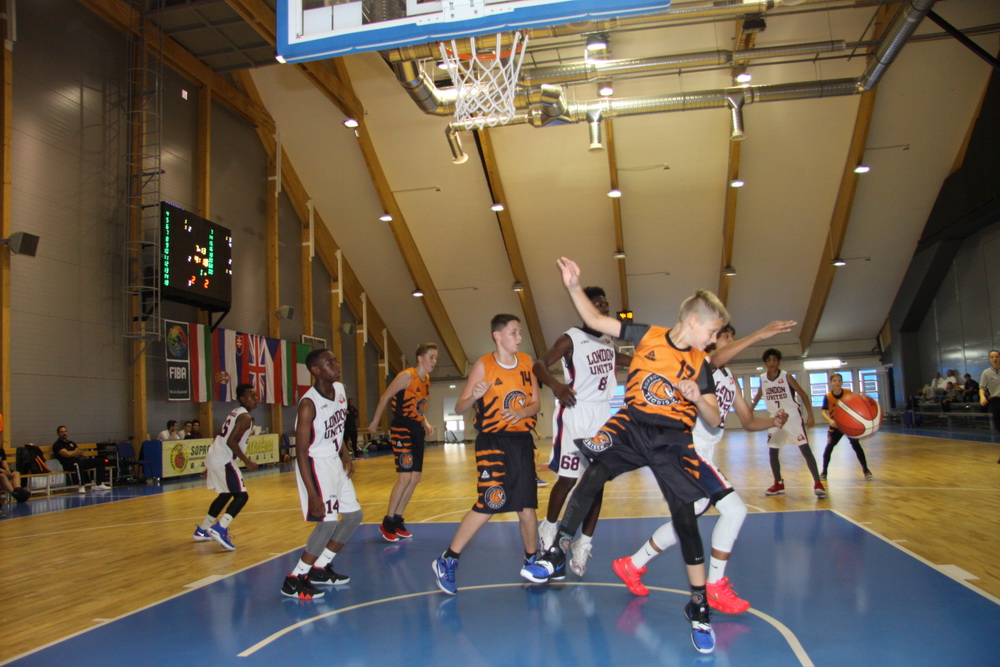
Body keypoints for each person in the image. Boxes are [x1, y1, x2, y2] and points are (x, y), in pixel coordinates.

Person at [522, 256, 728, 655]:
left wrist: (698, 400)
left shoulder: (701, 364)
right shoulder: (648, 335)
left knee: (685, 519)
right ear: (693, 322)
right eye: (713, 331)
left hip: (672, 439)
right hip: (632, 424)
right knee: (595, 471)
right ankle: (557, 550)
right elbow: (595, 320)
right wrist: (572, 286)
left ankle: (698, 605)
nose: (715, 339)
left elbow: (716, 419)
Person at [612, 323, 790, 615]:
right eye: (727, 337)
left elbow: (747, 420)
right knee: (735, 510)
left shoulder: (729, 379)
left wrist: (774, 421)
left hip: (703, 452)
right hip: (689, 449)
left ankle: (632, 564)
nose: (732, 341)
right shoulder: (702, 363)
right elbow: (716, 358)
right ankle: (715, 586)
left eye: (732, 336)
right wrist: (759, 334)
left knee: (688, 518)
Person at [432, 315, 540, 596]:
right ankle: (448, 559)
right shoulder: (483, 365)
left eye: (520, 332)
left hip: (522, 442)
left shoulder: (527, 362)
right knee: (491, 502)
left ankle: (532, 561)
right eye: (514, 332)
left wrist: (521, 412)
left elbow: (536, 403)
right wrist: (474, 396)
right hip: (492, 441)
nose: (519, 337)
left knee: (527, 507)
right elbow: (459, 407)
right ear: (498, 335)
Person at [533, 285, 629, 577]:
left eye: (606, 305)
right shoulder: (570, 338)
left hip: (601, 416)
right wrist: (556, 386)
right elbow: (539, 364)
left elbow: (620, 360)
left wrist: (652, 360)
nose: (604, 309)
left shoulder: (607, 341)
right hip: (575, 411)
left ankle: (583, 544)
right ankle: (549, 526)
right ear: (584, 307)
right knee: (568, 479)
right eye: (598, 304)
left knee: (597, 483)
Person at [281, 349, 363, 600]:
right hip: (315, 464)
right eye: (329, 363)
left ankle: (320, 567)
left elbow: (337, 428)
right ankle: (294, 579)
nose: (336, 366)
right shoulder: (308, 404)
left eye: (335, 361)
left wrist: (345, 454)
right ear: (316, 370)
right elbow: (301, 452)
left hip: (334, 461)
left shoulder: (339, 389)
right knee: (327, 523)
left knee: (353, 517)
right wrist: (312, 494)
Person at [368, 343, 438, 542]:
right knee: (405, 478)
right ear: (420, 358)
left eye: (435, 358)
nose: (434, 361)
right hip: (401, 428)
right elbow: (385, 396)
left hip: (416, 428)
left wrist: (425, 422)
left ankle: (397, 519)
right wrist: (375, 421)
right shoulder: (407, 376)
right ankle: (387, 521)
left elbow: (417, 406)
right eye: (431, 357)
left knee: (415, 478)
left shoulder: (426, 380)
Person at [193, 384, 259, 551]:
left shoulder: (235, 412)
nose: (256, 398)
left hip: (215, 456)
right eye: (251, 395)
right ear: (242, 398)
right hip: (223, 458)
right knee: (242, 496)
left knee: (226, 494)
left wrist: (210, 464)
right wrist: (247, 461)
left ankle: (203, 530)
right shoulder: (245, 417)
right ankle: (220, 528)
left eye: (256, 395)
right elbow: (231, 441)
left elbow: (220, 436)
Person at [751, 349, 825, 498]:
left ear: (779, 362)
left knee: (805, 449)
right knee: (773, 451)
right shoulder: (763, 378)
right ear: (765, 363)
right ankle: (778, 483)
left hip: (792, 416)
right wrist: (750, 409)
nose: (772, 362)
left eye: (774, 359)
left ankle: (818, 483)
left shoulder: (786, 376)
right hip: (775, 417)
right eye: (769, 360)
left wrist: (810, 415)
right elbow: (759, 394)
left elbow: (803, 394)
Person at [819, 373, 873, 481]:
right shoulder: (828, 397)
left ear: (842, 382)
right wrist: (830, 421)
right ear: (831, 383)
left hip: (848, 425)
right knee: (829, 447)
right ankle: (824, 472)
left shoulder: (848, 393)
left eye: (839, 381)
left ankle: (866, 470)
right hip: (835, 426)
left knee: (856, 445)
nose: (837, 383)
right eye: (835, 381)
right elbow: (823, 412)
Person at [52, 425, 110, 492]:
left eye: (65, 431)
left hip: (79, 461)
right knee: (77, 464)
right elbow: (67, 454)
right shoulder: (57, 445)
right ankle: (81, 485)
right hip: (68, 464)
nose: (64, 433)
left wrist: (73, 452)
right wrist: (75, 451)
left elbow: (81, 453)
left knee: (100, 461)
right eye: (62, 432)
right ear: (58, 434)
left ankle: (99, 484)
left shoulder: (71, 443)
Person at [978, 350, 1000, 464]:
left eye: (997, 356)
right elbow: (982, 388)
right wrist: (982, 397)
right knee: (999, 426)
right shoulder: (986, 373)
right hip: (996, 400)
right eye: (992, 357)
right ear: (989, 359)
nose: (995, 359)